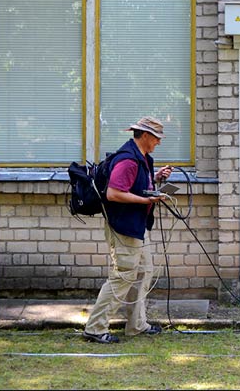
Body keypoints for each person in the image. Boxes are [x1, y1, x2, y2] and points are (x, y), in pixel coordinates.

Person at [82, 116, 173, 344]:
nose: (158, 143)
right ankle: (95, 328)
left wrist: (156, 178)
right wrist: (145, 202)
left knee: (143, 273)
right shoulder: (128, 160)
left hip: (138, 227)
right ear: (145, 135)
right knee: (122, 276)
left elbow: (134, 186)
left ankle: (137, 324)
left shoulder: (141, 158)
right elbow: (113, 193)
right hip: (124, 227)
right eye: (156, 138)